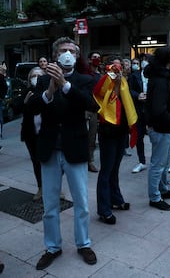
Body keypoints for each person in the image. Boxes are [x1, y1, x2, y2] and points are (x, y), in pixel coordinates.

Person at [28, 37, 97, 270]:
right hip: (49, 148)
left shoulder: (84, 80)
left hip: (74, 148)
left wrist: (66, 86)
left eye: (71, 51)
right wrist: (50, 89)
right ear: (55, 55)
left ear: (76, 56)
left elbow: (91, 104)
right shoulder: (44, 79)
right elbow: (33, 107)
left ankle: (83, 243)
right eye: (63, 51)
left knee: (82, 203)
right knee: (50, 204)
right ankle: (52, 247)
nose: (67, 54)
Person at [93, 56, 137, 224]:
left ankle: (115, 199)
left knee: (115, 167)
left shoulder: (125, 81)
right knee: (107, 170)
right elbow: (107, 101)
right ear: (108, 67)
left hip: (120, 131)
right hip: (108, 131)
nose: (120, 68)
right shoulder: (104, 81)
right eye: (116, 65)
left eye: (122, 65)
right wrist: (116, 84)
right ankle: (104, 209)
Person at [145, 47, 170, 211]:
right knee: (158, 165)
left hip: (163, 128)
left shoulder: (161, 76)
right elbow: (159, 109)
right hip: (161, 128)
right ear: (167, 60)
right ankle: (154, 197)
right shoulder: (160, 80)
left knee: (165, 162)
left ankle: (163, 189)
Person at [21, 67, 45, 201]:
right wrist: (25, 103)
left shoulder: (48, 91)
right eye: (33, 76)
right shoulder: (27, 91)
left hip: (46, 132)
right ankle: (41, 188)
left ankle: (54, 188)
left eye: (38, 75)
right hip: (31, 133)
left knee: (51, 162)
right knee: (36, 162)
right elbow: (18, 108)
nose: (36, 78)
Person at [129, 57, 148, 173]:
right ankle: (142, 161)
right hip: (139, 110)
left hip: (152, 110)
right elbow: (129, 90)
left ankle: (164, 161)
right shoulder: (134, 75)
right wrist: (137, 95)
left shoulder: (155, 76)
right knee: (139, 136)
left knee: (157, 136)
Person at [86, 51, 102, 172]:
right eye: (94, 57)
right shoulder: (86, 73)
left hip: (95, 111)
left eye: (98, 58)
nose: (97, 59)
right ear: (90, 60)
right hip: (85, 109)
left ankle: (90, 161)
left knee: (92, 138)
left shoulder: (100, 76)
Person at [0, 62, 7, 139]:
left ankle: (0, 133)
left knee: (0, 118)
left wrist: (1, 97)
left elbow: (5, 87)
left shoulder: (1, 77)